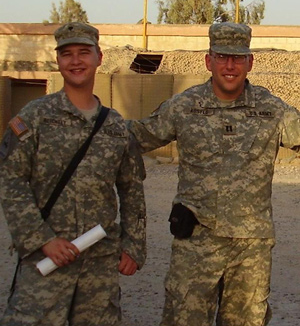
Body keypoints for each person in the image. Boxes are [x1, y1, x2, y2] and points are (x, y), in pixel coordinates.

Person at [128, 22, 300, 326]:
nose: (230, 65)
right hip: (195, 244)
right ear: (209, 61)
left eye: (237, 57)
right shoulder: (184, 106)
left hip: (250, 249)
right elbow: (136, 136)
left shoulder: (271, 110)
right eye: (222, 57)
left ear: (250, 62)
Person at [0, 22, 146, 326]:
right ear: (58, 61)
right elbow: (11, 179)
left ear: (99, 57)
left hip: (98, 263)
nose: (76, 61)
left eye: (84, 52)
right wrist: (43, 239)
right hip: (46, 259)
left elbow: (132, 189)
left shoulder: (116, 126)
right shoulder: (35, 116)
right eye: (67, 54)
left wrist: (134, 245)